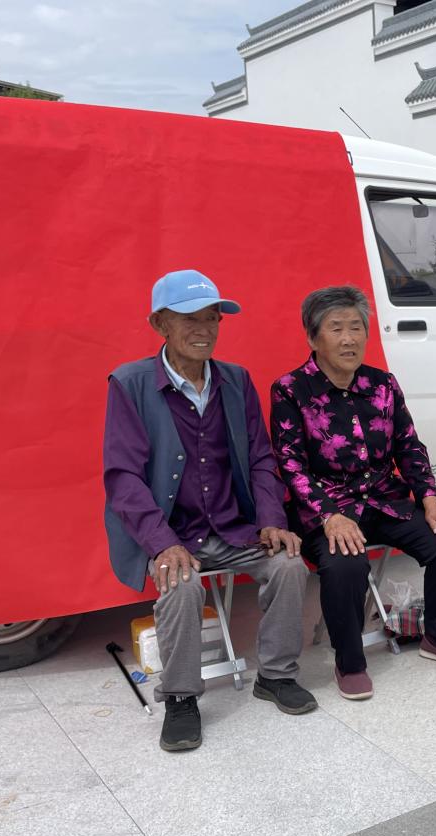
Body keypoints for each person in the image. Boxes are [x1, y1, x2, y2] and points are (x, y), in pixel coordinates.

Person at [103, 269, 315, 753]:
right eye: (189, 319)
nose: (204, 329)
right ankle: (180, 697)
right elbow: (123, 478)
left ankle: (277, 676)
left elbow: (261, 459)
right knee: (179, 584)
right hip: (175, 534)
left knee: (286, 565)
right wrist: (162, 544)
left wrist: (270, 521)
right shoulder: (130, 383)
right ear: (160, 324)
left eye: (212, 318)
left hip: (234, 528)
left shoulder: (235, 381)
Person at [270, 285, 436, 701]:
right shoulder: (290, 390)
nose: (349, 338)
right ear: (313, 338)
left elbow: (409, 445)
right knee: (345, 563)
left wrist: (430, 498)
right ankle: (350, 662)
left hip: (382, 498)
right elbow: (290, 463)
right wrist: (329, 515)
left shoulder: (382, 384)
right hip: (325, 507)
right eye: (336, 328)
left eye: (357, 327)